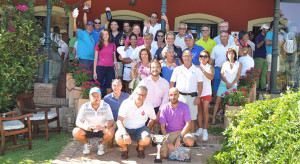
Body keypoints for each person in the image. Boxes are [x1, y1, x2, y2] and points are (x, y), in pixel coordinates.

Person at [170, 50, 203, 147]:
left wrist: (199, 96)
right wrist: (172, 97)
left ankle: (192, 138)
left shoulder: (197, 70)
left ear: (191, 57)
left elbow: (200, 84)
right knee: (179, 118)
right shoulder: (177, 69)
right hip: (180, 97)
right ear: (182, 58)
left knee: (192, 118)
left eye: (188, 56)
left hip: (192, 97)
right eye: (185, 56)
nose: (187, 58)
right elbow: (172, 83)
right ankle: (179, 138)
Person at [115, 86, 156, 159]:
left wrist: (147, 129)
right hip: (126, 128)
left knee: (147, 139)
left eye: (143, 95)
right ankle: (125, 149)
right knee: (118, 138)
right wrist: (125, 134)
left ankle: (140, 148)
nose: (140, 97)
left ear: (146, 96)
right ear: (134, 94)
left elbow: (152, 119)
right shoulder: (126, 103)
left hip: (140, 128)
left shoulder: (148, 105)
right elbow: (119, 120)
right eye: (139, 94)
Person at [72, 87, 115, 155]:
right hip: (89, 129)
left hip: (101, 129)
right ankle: (87, 144)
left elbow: (111, 121)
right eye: (93, 96)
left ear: (100, 96)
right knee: (75, 132)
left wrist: (104, 127)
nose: (96, 98)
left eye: (98, 96)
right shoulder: (84, 106)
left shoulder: (106, 106)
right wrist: (85, 127)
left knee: (112, 131)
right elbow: (78, 122)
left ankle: (101, 145)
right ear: (89, 97)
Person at [159, 87, 194, 159]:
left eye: (175, 94)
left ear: (178, 95)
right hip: (170, 134)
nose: (173, 97)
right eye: (171, 95)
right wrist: (167, 141)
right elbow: (162, 126)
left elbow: (188, 124)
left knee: (190, 141)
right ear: (168, 96)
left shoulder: (185, 106)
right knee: (163, 155)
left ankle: (181, 146)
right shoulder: (164, 108)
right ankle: (176, 149)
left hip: (183, 132)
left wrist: (179, 137)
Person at [135, 60, 169, 132]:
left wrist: (159, 113)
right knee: (144, 131)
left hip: (159, 109)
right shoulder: (144, 82)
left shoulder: (165, 83)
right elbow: (136, 94)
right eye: (153, 67)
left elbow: (165, 100)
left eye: (157, 67)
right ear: (150, 69)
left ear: (160, 69)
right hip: (146, 108)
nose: (155, 69)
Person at [212, 48, 242, 125]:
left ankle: (229, 121)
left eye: (232, 53)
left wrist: (231, 84)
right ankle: (213, 119)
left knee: (230, 102)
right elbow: (221, 74)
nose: (230, 55)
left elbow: (238, 76)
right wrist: (227, 83)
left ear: (235, 54)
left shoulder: (239, 64)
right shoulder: (224, 63)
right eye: (229, 53)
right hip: (223, 84)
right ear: (227, 55)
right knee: (218, 100)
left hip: (233, 85)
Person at [194, 50, 214, 141]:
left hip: (206, 92)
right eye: (201, 56)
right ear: (199, 58)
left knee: (205, 111)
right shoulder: (195, 67)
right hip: (198, 92)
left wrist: (201, 69)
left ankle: (205, 130)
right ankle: (200, 129)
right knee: (199, 111)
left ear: (208, 58)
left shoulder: (210, 67)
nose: (203, 58)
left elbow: (210, 77)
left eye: (205, 56)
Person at [93, 29, 118, 94]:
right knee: (98, 87)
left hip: (110, 68)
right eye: (103, 34)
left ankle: (108, 102)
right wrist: (95, 72)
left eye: (106, 34)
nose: (105, 36)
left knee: (109, 88)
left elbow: (115, 59)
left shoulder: (112, 45)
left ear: (109, 35)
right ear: (101, 36)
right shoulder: (98, 45)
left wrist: (116, 71)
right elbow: (95, 59)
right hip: (100, 67)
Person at [254, 24, 269, 90]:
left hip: (265, 57)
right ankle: (256, 88)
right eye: (266, 29)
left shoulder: (266, 37)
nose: (267, 30)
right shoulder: (258, 37)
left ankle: (263, 87)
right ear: (262, 29)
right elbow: (258, 46)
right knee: (257, 74)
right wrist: (264, 40)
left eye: (268, 29)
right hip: (259, 57)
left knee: (264, 74)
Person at [265, 21, 274, 91]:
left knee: (274, 70)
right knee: (270, 70)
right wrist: (276, 42)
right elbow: (267, 42)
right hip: (270, 54)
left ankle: (273, 86)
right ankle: (268, 86)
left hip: (275, 54)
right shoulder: (269, 33)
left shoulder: (274, 33)